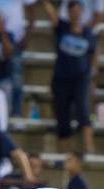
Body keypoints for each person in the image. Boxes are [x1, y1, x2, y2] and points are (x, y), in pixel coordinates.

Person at [41, 0, 95, 154]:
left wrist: (92, 77)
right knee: (62, 116)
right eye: (73, 10)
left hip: (81, 79)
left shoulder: (88, 32)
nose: (76, 13)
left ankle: (89, 148)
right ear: (68, 12)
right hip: (61, 79)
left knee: (83, 112)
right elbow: (51, 13)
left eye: (78, 10)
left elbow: (93, 53)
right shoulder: (62, 28)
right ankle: (63, 154)